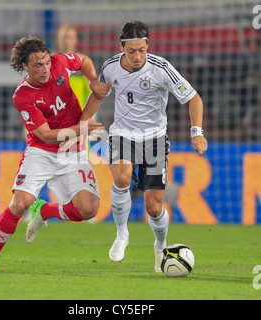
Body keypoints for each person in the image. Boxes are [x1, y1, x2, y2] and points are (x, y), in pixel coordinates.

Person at [80, 21, 208, 272]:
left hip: (155, 140)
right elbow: (98, 94)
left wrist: (197, 132)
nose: (137, 56)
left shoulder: (162, 69)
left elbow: (193, 98)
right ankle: (121, 235)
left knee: (154, 207)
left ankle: (160, 247)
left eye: (142, 49)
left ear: (148, 44)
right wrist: (82, 123)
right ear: (122, 47)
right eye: (131, 51)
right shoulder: (109, 67)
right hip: (122, 135)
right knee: (121, 177)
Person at [0, 36, 109, 272]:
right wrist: (81, 129)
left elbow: (83, 60)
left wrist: (91, 80)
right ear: (25, 67)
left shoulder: (59, 62)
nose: (46, 68)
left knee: (88, 209)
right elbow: (47, 135)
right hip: (42, 151)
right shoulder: (23, 96)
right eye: (38, 65)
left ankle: (45, 210)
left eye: (47, 62)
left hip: (72, 150)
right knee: (19, 204)